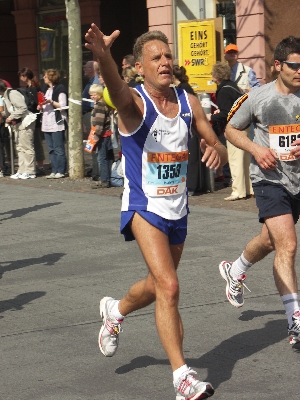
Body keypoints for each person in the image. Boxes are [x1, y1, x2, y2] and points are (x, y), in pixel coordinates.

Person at [85, 24, 227, 399]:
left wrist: (217, 151)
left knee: (156, 284)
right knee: (169, 285)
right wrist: (103, 57)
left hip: (177, 208)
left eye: (167, 56)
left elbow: (213, 141)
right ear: (140, 68)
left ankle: (115, 311)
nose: (165, 62)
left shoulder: (188, 101)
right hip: (143, 206)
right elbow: (115, 88)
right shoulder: (133, 102)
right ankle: (182, 377)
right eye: (156, 58)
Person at [219, 36, 300, 349]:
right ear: (278, 66)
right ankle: (295, 321)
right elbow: (230, 128)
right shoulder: (258, 97)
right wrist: (256, 149)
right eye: (294, 65)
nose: (299, 71)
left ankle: (236, 270)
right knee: (288, 245)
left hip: (297, 179)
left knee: (271, 240)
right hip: (269, 180)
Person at [207, 62, 254, 200]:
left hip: (234, 128)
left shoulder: (223, 90)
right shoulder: (234, 87)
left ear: (216, 76)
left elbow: (227, 113)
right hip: (244, 126)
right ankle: (249, 189)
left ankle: (238, 191)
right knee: (245, 160)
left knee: (235, 160)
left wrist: (212, 116)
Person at [0, 79, 36, 179]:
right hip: (18, 123)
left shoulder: (12, 93)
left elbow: (22, 108)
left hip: (25, 122)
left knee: (27, 146)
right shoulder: (5, 96)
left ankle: (30, 170)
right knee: (20, 147)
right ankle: (22, 170)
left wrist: (11, 117)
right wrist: (3, 115)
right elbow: (9, 111)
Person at [172, 65, 199, 197]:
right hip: (185, 125)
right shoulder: (181, 88)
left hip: (189, 126)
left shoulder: (183, 89)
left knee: (191, 156)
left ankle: (191, 186)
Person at [38, 69, 68, 179]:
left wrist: (51, 102)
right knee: (50, 148)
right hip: (46, 121)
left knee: (58, 148)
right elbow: (43, 102)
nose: (43, 78)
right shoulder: (45, 89)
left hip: (57, 121)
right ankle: (54, 169)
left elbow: (63, 105)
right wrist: (40, 106)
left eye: (45, 76)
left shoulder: (60, 89)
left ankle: (61, 170)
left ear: (51, 77)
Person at [18, 67, 45, 175]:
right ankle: (38, 165)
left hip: (35, 118)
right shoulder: (29, 87)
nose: (20, 78)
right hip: (31, 118)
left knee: (37, 142)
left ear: (25, 76)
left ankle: (41, 166)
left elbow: (36, 102)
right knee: (33, 142)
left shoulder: (33, 88)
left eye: (21, 76)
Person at [88, 83, 114, 188]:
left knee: (101, 158)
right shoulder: (105, 103)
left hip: (102, 135)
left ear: (99, 94)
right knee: (108, 157)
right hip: (107, 133)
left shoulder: (99, 105)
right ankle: (109, 178)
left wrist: (97, 135)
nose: (92, 97)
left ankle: (104, 180)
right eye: (91, 95)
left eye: (94, 94)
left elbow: (99, 122)